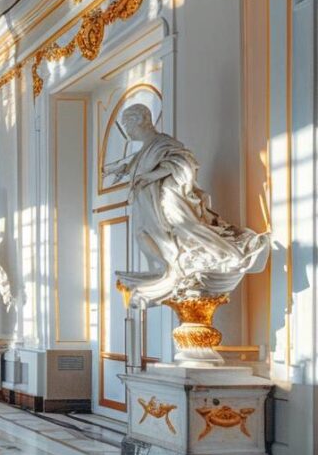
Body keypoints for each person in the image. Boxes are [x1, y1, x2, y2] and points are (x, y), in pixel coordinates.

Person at [102, 103, 269, 306]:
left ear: (138, 120)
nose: (126, 130)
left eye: (126, 123)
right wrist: (125, 168)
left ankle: (226, 254)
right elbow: (142, 166)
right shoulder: (145, 150)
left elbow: (183, 163)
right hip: (148, 204)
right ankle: (166, 271)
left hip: (167, 198)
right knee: (144, 236)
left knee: (185, 228)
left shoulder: (163, 143)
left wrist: (151, 175)